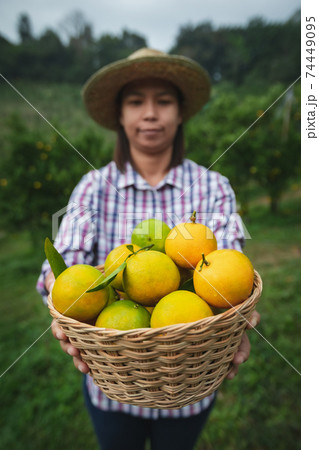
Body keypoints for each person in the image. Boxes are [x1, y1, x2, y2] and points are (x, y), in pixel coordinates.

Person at [37, 48, 260, 450]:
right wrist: (64, 299)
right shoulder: (92, 188)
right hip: (112, 384)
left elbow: (229, 269)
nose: (151, 113)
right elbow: (63, 265)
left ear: (180, 113)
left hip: (190, 383)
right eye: (136, 102)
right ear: (120, 116)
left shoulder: (213, 187)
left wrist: (236, 318)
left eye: (164, 101)